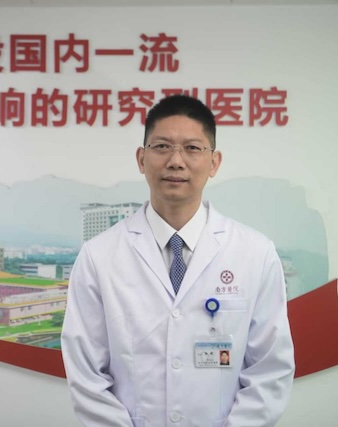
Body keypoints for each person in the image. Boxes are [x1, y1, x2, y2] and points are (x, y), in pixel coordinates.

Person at [61, 95, 295, 426]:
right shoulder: (99, 256)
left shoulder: (255, 253)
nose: (175, 161)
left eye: (192, 148)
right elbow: (86, 376)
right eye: (161, 147)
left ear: (214, 162)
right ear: (141, 159)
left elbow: (269, 369)